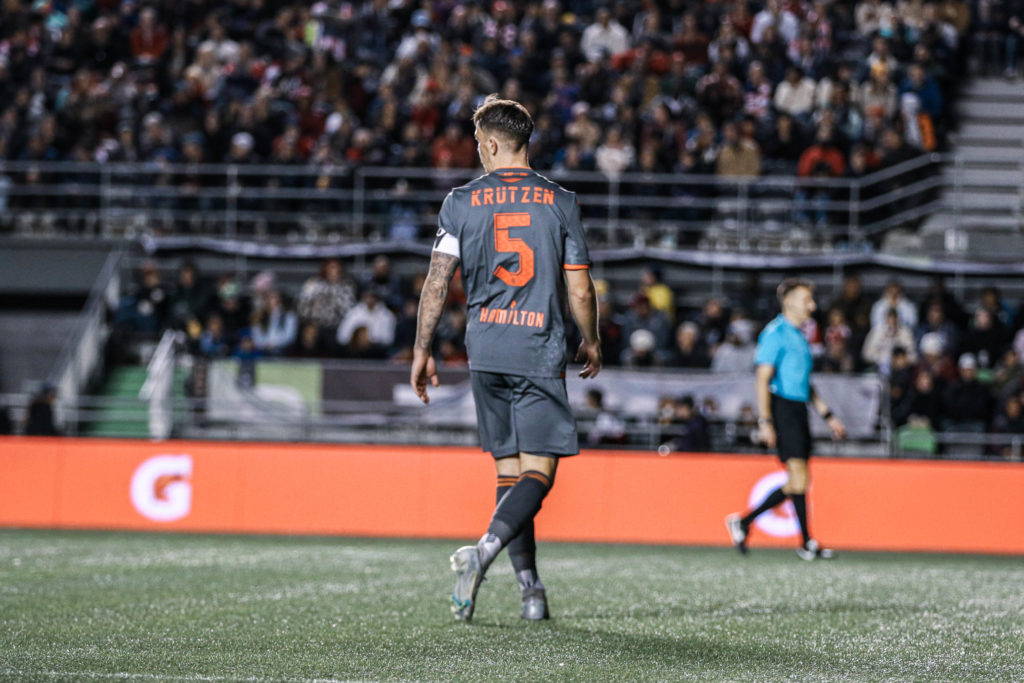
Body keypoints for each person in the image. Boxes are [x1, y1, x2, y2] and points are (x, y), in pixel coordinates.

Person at [410, 95, 601, 623]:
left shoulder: (460, 201)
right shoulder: (559, 201)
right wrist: (592, 339)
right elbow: (580, 289)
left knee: (511, 473)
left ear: (492, 143)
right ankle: (484, 553)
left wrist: (423, 350)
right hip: (536, 347)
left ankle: (531, 590)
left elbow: (435, 283)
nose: (478, 152)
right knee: (541, 472)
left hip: (485, 350)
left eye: (477, 145)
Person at [725, 278, 846, 560]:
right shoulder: (775, 333)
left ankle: (751, 524)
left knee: (800, 478)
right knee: (799, 477)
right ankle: (798, 540)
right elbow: (762, 378)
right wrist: (765, 420)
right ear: (789, 301)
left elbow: (805, 382)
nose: (812, 306)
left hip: (798, 408)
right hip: (783, 409)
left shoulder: (799, 334)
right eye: (807, 299)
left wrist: (827, 415)